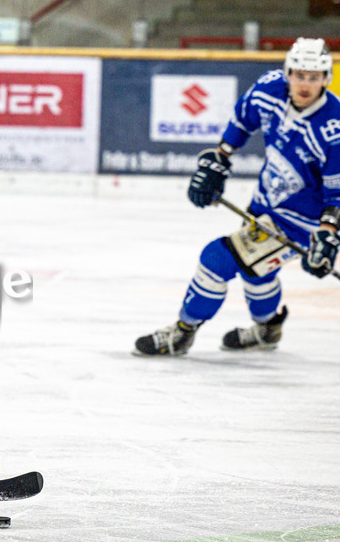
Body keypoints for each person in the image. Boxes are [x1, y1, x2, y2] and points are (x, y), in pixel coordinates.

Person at [135, 37, 340, 356]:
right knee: (257, 269)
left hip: (302, 220)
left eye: (314, 77)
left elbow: (336, 192)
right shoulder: (269, 88)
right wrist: (221, 156)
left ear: (327, 78)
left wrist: (326, 236)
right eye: (299, 75)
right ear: (287, 73)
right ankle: (268, 328)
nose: (305, 84)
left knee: (217, 259)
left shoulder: (334, 127)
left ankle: (182, 333)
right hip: (268, 201)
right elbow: (242, 120)